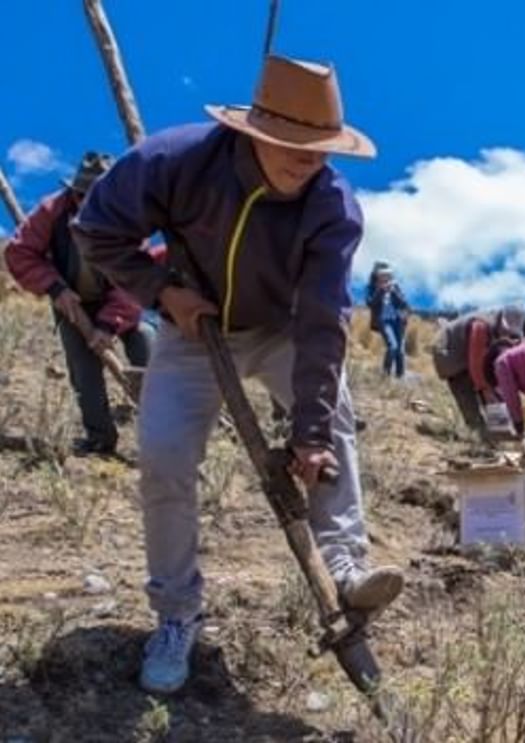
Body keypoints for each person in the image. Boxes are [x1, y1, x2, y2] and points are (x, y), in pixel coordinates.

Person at [72, 55, 404, 695]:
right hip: (192, 331)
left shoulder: (333, 208)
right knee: (165, 455)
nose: (307, 162)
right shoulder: (174, 161)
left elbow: (322, 322)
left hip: (281, 330)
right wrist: (163, 292)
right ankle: (175, 614)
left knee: (332, 421)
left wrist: (307, 435)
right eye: (292, 147)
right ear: (254, 131)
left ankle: (343, 566)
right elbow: (98, 232)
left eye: (319, 150)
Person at [4, 152, 155, 456]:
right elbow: (19, 253)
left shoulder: (128, 220)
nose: (85, 201)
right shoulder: (52, 210)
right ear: (74, 192)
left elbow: (132, 278)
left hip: (121, 305)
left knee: (147, 349)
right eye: (81, 195)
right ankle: (100, 440)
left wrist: (107, 325)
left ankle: (165, 436)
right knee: (83, 370)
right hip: (72, 303)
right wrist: (56, 288)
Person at [431, 306, 524, 433]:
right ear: (501, 320)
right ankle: (479, 433)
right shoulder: (481, 326)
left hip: (467, 351)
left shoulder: (510, 336)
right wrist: (485, 389)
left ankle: (500, 432)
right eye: (506, 331)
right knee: (466, 387)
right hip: (449, 351)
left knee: (493, 390)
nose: (507, 335)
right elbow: (475, 364)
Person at [366, 262, 410, 378]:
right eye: (382, 276)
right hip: (384, 321)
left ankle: (400, 377)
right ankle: (385, 375)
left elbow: (404, 304)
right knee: (392, 346)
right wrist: (380, 291)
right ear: (377, 276)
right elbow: (370, 303)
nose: (385, 278)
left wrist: (393, 291)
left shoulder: (395, 287)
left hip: (399, 320)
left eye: (388, 276)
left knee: (400, 350)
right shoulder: (372, 288)